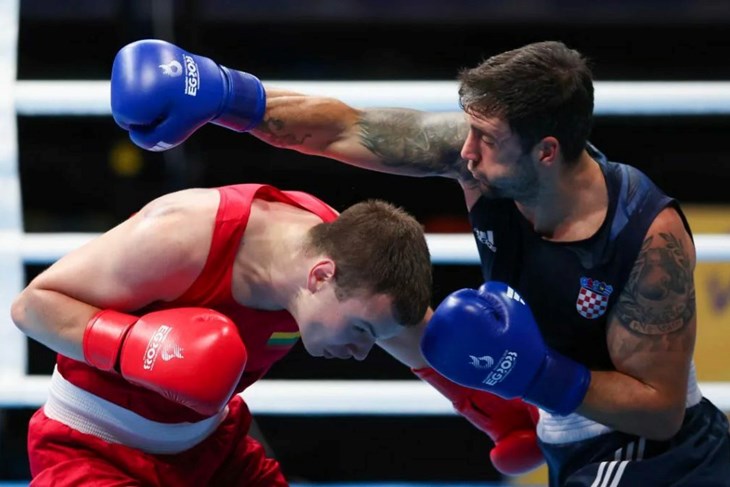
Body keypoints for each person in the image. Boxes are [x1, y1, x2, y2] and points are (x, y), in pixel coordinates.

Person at [109, 38, 730, 485]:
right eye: (469, 128)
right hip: (573, 444)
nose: (464, 149)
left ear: (545, 151)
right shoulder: (478, 161)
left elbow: (662, 407)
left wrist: (536, 376)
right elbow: (342, 129)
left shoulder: (647, 237)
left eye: (486, 139)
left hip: (659, 456)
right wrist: (226, 95)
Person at [12, 181, 542, 485]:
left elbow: (414, 338)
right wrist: (137, 348)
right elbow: (33, 305)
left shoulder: (347, 262)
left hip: (211, 450)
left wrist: (499, 409)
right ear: (319, 276)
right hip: (91, 445)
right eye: (359, 330)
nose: (362, 352)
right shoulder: (181, 236)